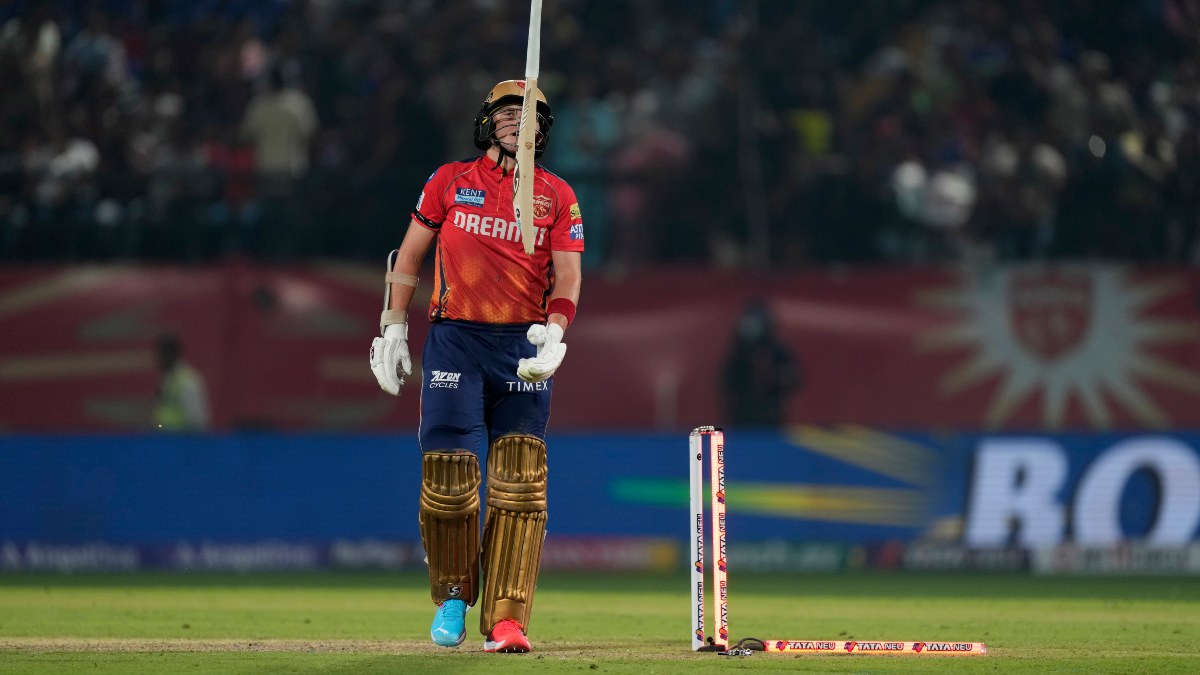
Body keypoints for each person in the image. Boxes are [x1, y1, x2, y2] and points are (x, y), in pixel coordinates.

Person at [369, 79, 584, 654]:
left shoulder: (557, 195)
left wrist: (556, 336)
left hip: (523, 345)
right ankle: (453, 596)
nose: (520, 122)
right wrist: (393, 327)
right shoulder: (450, 181)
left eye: (532, 115)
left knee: (519, 485)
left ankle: (508, 620)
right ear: (487, 122)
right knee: (448, 477)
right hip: (456, 340)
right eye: (508, 113)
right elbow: (410, 255)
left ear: (546, 129)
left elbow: (567, 277)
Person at [720, 299, 801, 427]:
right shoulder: (738, 354)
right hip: (741, 417)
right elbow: (724, 382)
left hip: (771, 417)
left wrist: (777, 379)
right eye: (748, 321)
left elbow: (794, 379)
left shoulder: (777, 352)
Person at [153, 333, 211, 432]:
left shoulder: (188, 381)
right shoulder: (167, 379)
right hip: (165, 441)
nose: (157, 359)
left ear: (170, 354)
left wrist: (195, 445)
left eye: (160, 354)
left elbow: (198, 419)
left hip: (182, 442)